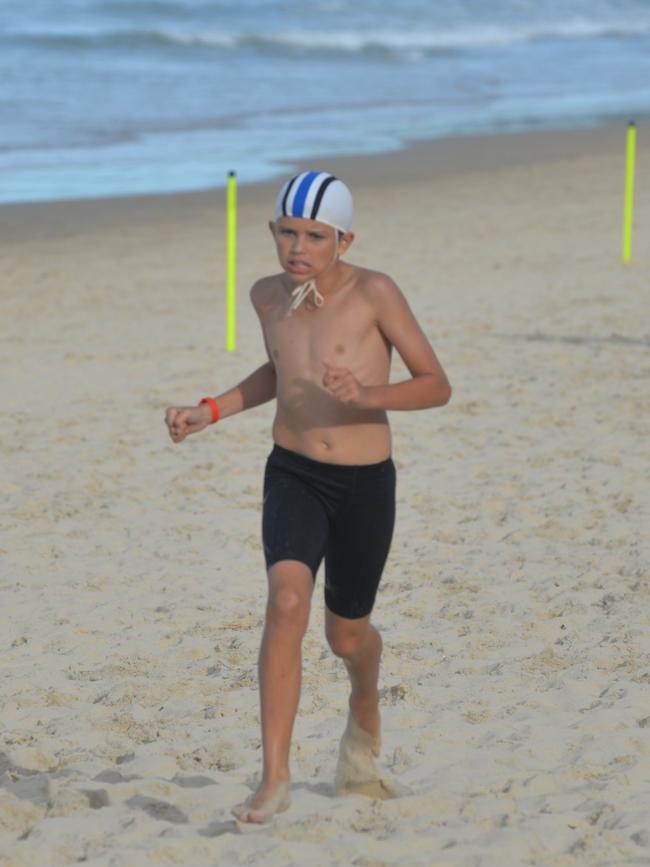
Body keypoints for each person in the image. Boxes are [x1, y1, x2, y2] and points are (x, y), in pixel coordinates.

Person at [165, 170, 451, 823]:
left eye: (315, 236)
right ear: (271, 231)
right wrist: (214, 407)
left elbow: (436, 384)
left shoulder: (375, 292)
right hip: (291, 472)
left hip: (363, 484)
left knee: (346, 638)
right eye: (288, 232)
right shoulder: (267, 294)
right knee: (286, 601)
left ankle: (365, 702)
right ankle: (274, 776)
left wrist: (369, 396)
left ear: (343, 239)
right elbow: (279, 367)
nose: (298, 246)